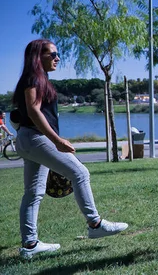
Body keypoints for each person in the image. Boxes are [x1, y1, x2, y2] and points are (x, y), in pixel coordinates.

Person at [12, 39, 128, 259]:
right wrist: (56, 141)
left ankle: (30, 245)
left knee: (33, 193)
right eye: (52, 54)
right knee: (80, 173)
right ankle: (95, 224)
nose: (57, 58)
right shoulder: (34, 77)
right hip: (36, 138)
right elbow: (34, 111)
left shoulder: (36, 78)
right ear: (38, 56)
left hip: (27, 139)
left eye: (58, 54)